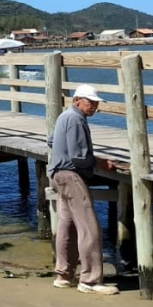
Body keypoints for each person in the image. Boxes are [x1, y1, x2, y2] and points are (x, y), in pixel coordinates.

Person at [47, 83, 120, 295]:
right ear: (77, 100)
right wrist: (100, 162)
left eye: (96, 103)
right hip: (70, 176)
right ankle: (90, 280)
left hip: (57, 175)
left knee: (67, 226)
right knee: (90, 227)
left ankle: (63, 275)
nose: (94, 106)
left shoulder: (64, 116)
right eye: (90, 102)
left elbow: (51, 140)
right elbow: (79, 157)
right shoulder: (76, 118)